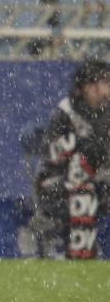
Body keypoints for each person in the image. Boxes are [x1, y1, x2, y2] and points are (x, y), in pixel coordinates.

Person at [33, 59, 110, 259]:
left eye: (106, 83)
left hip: (100, 180)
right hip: (57, 181)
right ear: (83, 87)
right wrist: (83, 146)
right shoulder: (66, 111)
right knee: (83, 190)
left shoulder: (107, 113)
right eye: (99, 84)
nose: (104, 91)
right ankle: (81, 258)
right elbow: (52, 153)